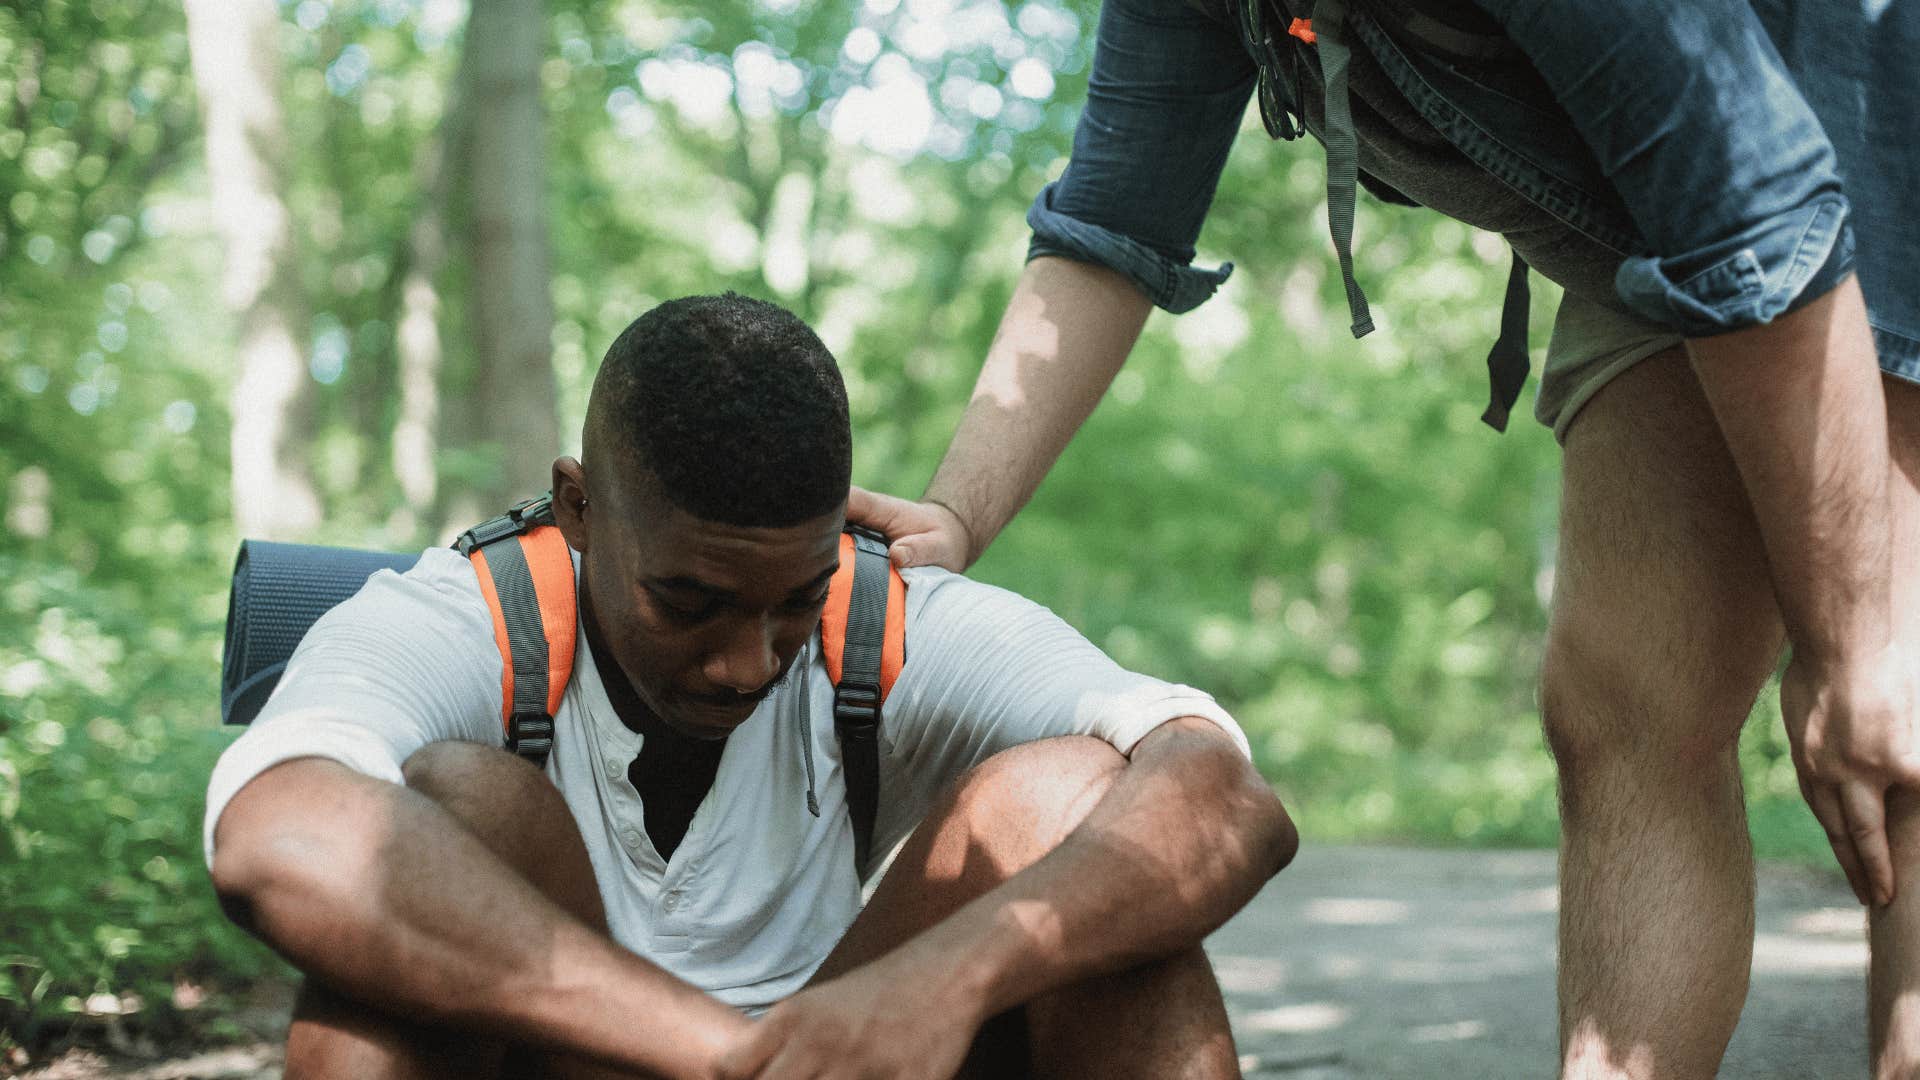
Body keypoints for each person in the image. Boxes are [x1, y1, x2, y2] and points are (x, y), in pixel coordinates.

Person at [846, 1, 1920, 1076]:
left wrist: (1851, 646)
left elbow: (1758, 220)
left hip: (1855, 149)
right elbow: (1114, 228)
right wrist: (959, 512)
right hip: (1664, 226)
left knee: (1898, 734)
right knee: (1624, 707)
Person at [202, 293, 1296, 1080]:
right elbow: (277, 833)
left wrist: (947, 982)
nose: (747, 661)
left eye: (792, 601)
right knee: (456, 804)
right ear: (579, 511)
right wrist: (734, 1056)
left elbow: (1227, 801)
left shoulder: (892, 619)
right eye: (689, 603)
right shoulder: (457, 618)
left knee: (1077, 821)